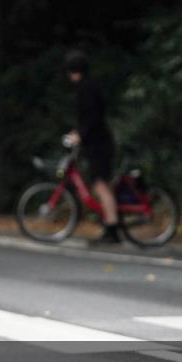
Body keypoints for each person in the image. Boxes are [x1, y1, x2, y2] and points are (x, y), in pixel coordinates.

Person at [64, 49, 120, 244]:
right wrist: (79, 132)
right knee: (101, 184)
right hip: (98, 142)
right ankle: (110, 223)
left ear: (73, 71)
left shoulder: (85, 89)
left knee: (100, 185)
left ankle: (112, 228)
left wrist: (80, 134)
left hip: (98, 144)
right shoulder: (91, 86)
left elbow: (92, 118)